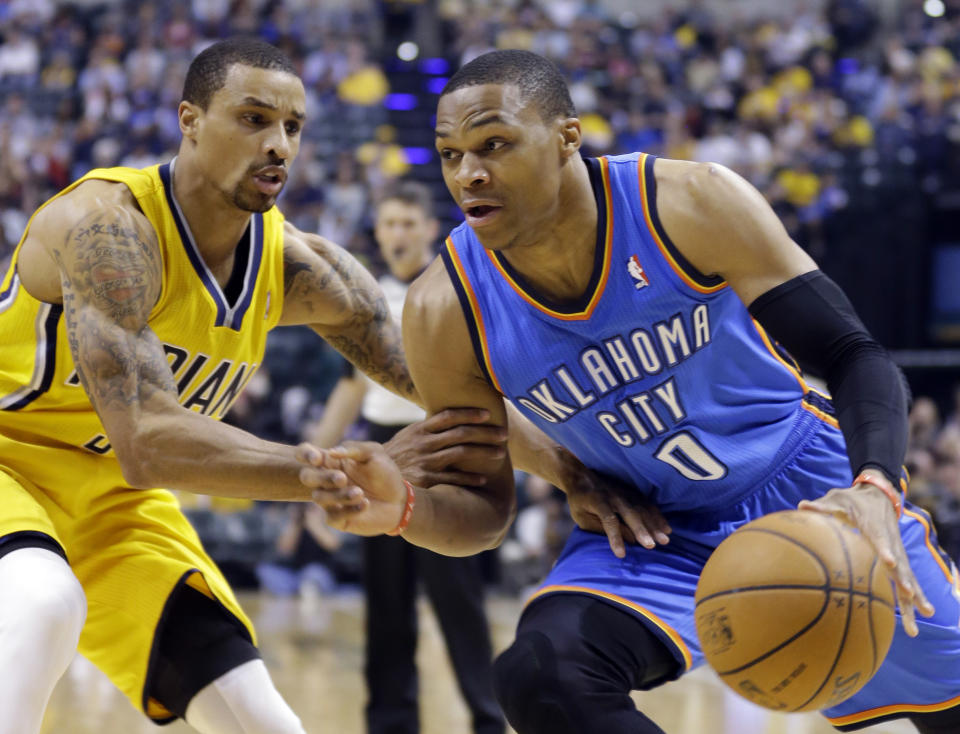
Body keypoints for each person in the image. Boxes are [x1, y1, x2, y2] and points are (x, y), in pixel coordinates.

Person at [302, 50, 960, 734]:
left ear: (567, 138)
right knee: (541, 673)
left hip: (810, 490)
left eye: (494, 144)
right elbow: (487, 515)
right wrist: (405, 507)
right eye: (449, 154)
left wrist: (876, 483)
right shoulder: (445, 307)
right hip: (652, 530)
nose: (469, 173)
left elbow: (853, 353)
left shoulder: (688, 202)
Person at [0, 39, 610, 734]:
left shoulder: (302, 268)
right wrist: (331, 473)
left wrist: (572, 471)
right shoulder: (109, 229)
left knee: (269, 725)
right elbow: (147, 440)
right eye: (254, 119)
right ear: (189, 120)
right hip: (8, 466)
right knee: (44, 603)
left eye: (292, 127)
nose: (279, 145)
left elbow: (453, 393)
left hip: (115, 506)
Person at [310, 181, 504, 734]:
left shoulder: (454, 290)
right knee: (386, 607)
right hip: (381, 449)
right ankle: (390, 723)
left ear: (426, 229)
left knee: (458, 601)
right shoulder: (366, 298)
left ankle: (489, 719)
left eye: (407, 223)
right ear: (377, 231)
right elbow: (350, 387)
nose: (397, 233)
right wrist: (317, 464)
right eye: (389, 223)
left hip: (442, 449)